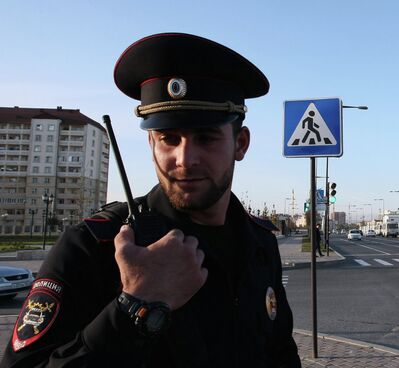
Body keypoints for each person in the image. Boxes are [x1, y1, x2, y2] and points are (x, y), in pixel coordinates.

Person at [1, 33, 301, 367]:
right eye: (168, 138)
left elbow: (281, 353)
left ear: (240, 144)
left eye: (206, 137)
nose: (184, 158)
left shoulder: (259, 243)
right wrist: (136, 306)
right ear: (150, 144)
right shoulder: (93, 247)